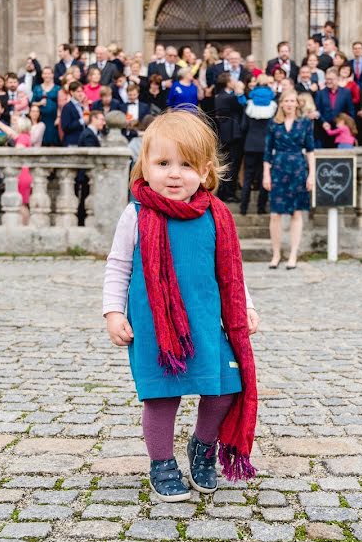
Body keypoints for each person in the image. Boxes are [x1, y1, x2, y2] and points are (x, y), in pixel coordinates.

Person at [102, 109, 260, 502]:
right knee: (162, 396)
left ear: (206, 171)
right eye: (163, 163)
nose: (174, 174)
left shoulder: (217, 216)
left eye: (186, 164)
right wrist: (113, 311)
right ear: (145, 166)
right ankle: (161, 463)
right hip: (156, 326)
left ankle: (203, 448)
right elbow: (118, 264)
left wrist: (246, 307)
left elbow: (231, 272)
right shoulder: (136, 214)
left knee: (223, 390)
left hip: (206, 323)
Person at [262, 91, 315, 270]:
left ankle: (293, 254)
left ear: (297, 104)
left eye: (293, 101)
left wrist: (311, 174)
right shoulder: (273, 124)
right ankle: (276, 254)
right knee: (275, 214)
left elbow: (310, 150)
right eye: (287, 101)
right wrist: (266, 174)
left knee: (297, 213)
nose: (290, 104)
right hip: (278, 168)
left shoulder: (305, 123)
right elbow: (268, 152)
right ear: (281, 104)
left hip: (298, 169)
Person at [239, 76, 278, 216]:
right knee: (264, 177)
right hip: (266, 146)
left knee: (248, 177)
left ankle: (243, 207)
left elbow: (243, 127)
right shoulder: (273, 106)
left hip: (250, 145)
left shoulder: (249, 105)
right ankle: (261, 207)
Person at [212, 73, 245, 203]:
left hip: (227, 134)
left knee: (228, 163)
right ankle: (228, 192)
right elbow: (240, 105)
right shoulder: (228, 97)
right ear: (227, 82)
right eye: (232, 80)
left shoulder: (220, 95)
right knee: (233, 164)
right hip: (231, 134)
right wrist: (239, 91)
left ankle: (225, 191)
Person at [314, 68, 355, 148]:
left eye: (331, 79)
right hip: (324, 130)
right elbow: (317, 110)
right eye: (327, 79)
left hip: (341, 132)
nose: (328, 81)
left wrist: (347, 125)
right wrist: (323, 122)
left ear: (337, 79)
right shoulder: (320, 93)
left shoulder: (346, 92)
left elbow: (351, 111)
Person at [32, 66, 60, 145]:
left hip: (53, 119)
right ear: (42, 75)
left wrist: (58, 117)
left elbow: (60, 104)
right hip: (40, 118)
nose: (47, 75)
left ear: (52, 75)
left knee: (53, 141)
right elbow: (32, 103)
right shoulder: (37, 88)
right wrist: (39, 103)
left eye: (49, 73)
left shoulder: (58, 88)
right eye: (45, 73)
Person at [61, 81, 87, 146]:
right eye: (78, 91)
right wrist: (82, 121)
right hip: (72, 142)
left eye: (82, 91)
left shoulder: (82, 106)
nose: (81, 94)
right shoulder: (67, 107)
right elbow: (65, 127)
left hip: (82, 142)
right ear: (72, 92)